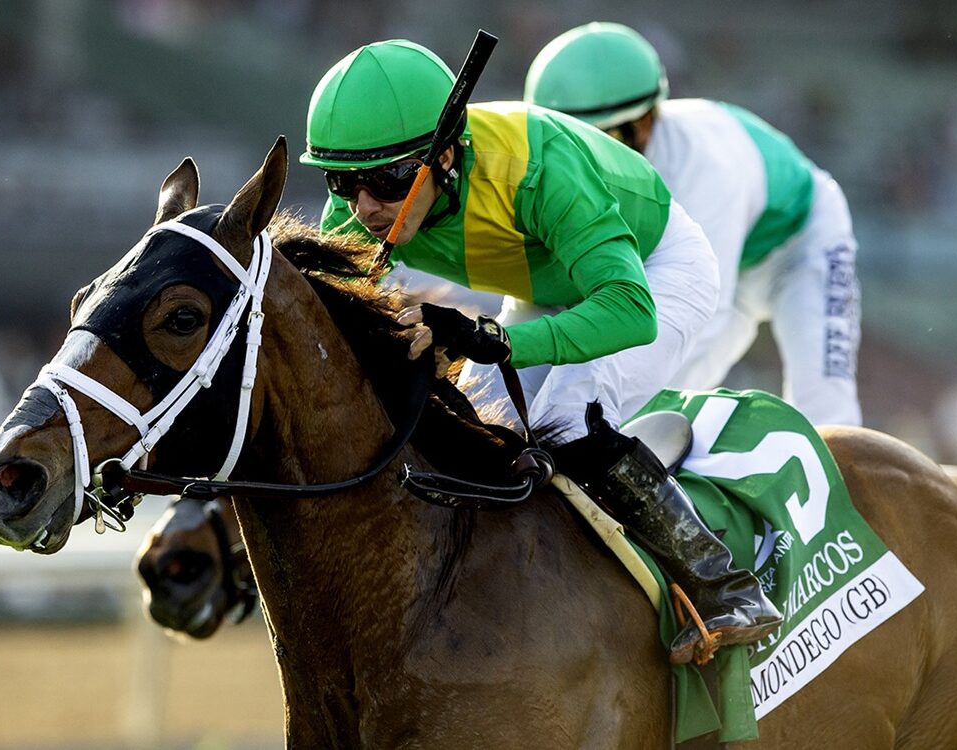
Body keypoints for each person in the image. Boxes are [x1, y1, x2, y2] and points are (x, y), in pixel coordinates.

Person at [300, 39, 781, 663]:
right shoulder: (359, 203)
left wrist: (492, 338)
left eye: (388, 180)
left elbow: (630, 309)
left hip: (652, 272)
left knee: (565, 418)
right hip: (540, 284)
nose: (363, 206)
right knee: (482, 430)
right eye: (343, 180)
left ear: (445, 154)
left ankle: (727, 588)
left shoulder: (540, 165)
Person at [525, 22, 863, 427]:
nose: (579, 158)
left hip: (799, 245)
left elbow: (701, 311)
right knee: (674, 406)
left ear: (646, 122)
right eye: (564, 141)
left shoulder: (702, 165)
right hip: (720, 257)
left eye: (597, 138)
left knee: (824, 409)